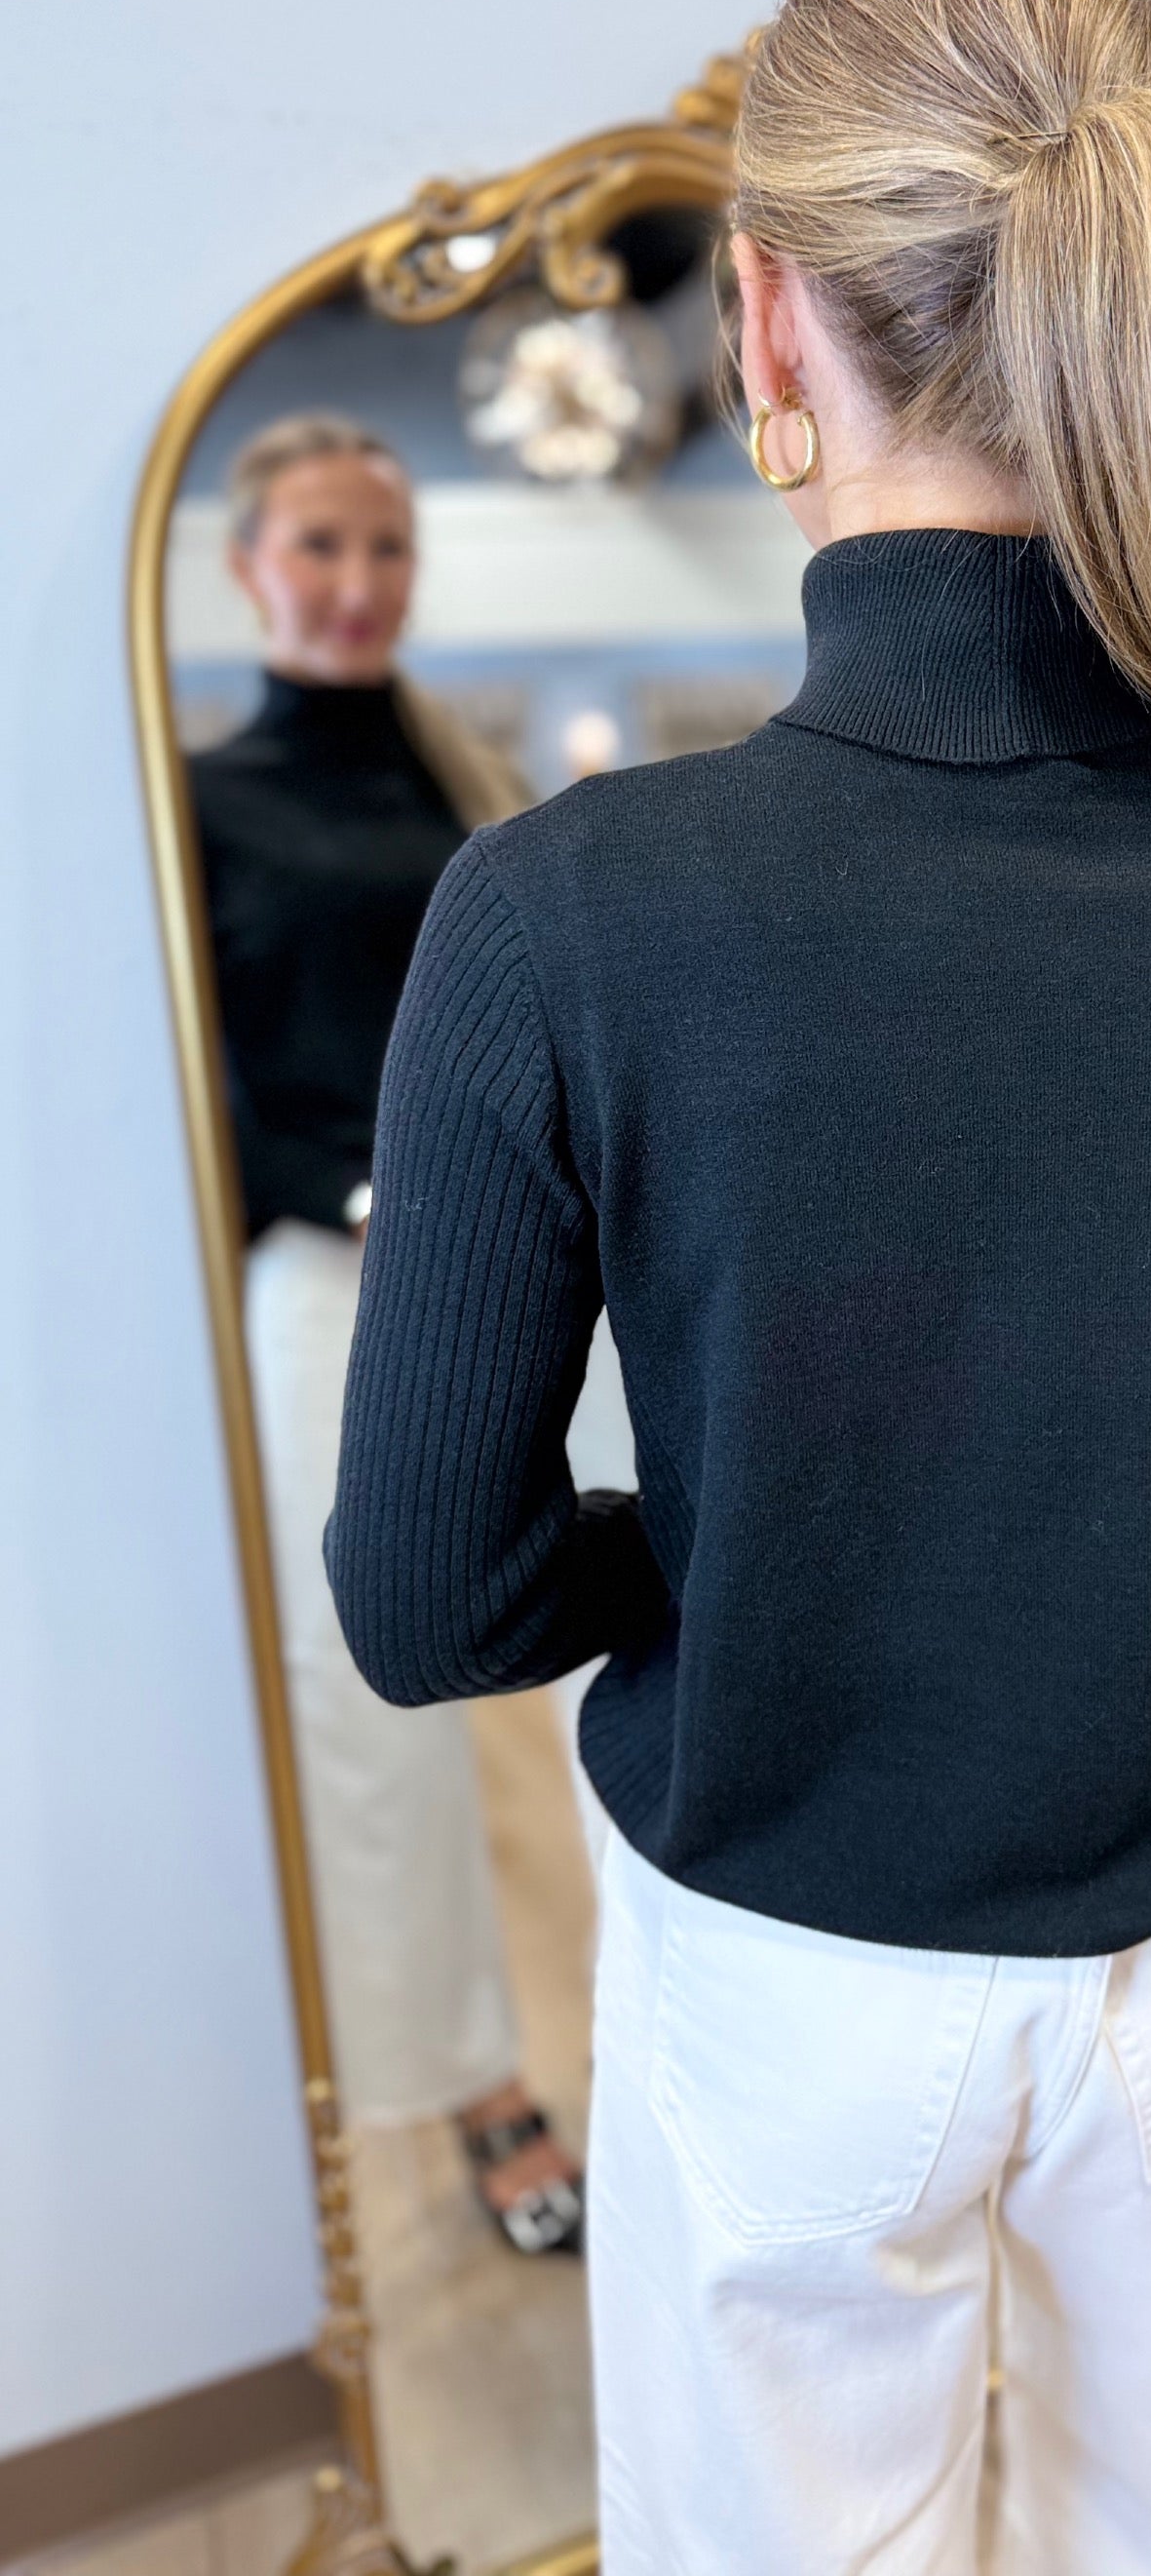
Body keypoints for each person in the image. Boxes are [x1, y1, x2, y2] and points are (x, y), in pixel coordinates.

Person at [326, 0, 1151, 2573]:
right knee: (1150, 2516)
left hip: (793, 1981)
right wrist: (1136, 1517)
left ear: (769, 323)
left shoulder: (562, 916)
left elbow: (427, 1602)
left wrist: (761, 1548)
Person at [191, 413, 585, 2255]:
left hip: (525, 1258)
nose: (358, 584)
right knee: (369, 1692)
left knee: (645, 1607)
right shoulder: (197, 800)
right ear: (246, 567)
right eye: (320, 546)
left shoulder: (467, 781)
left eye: (387, 548)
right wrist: (360, 1199)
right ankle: (467, 2078)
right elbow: (201, 1088)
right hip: (327, 1279)